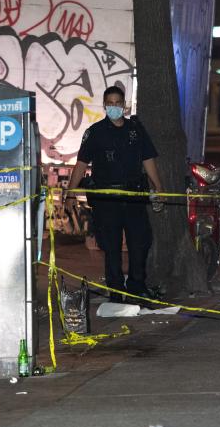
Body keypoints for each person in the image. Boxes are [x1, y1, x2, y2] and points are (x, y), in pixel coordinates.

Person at [64, 85, 163, 302]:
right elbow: (81, 164)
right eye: (110, 104)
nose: (114, 107)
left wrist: (158, 186)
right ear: (104, 106)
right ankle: (116, 290)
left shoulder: (136, 130)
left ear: (124, 105)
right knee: (111, 246)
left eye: (118, 103)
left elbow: (148, 159)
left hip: (134, 195)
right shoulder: (95, 132)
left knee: (140, 242)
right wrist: (70, 193)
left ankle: (137, 287)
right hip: (106, 199)